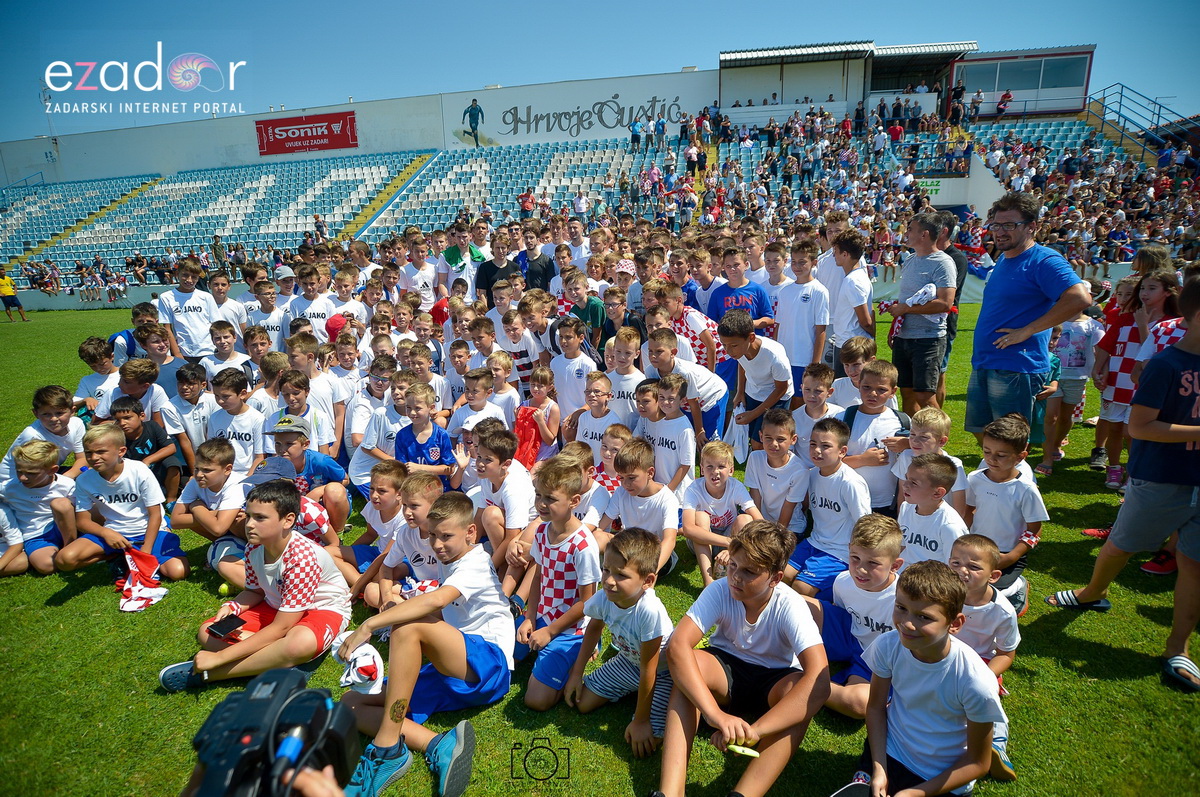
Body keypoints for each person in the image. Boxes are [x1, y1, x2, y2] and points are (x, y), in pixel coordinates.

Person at [1046, 277, 1200, 692]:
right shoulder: (1168, 365)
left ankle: (1177, 645)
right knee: (1122, 543)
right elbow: (1140, 425)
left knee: (1193, 564)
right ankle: (1091, 590)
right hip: (1160, 478)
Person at [337, 491, 511, 797]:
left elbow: (439, 600)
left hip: (489, 666)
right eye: (432, 536)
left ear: (471, 532)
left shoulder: (476, 561)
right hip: (454, 668)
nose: (437, 545)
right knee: (350, 704)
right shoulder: (451, 559)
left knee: (408, 627)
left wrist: (369, 624)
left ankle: (386, 750)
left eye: (446, 536)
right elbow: (441, 611)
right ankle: (438, 744)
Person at [649, 520, 829, 797]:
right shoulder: (720, 590)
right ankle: (670, 792)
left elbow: (820, 679)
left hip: (774, 680)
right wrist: (716, 715)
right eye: (733, 565)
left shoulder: (790, 605)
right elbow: (678, 646)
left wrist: (756, 731)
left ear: (775, 578)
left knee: (801, 694)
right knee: (689, 665)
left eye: (749, 572)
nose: (735, 577)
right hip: (726, 671)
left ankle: (743, 794)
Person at [159, 479, 350, 692]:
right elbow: (255, 590)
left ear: (288, 521)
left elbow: (282, 627)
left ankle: (212, 675)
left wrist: (219, 658)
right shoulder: (253, 547)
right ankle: (276, 659)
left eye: (260, 518)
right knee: (207, 631)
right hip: (277, 607)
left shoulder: (302, 559)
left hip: (322, 610)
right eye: (248, 515)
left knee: (299, 642)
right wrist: (233, 606)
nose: (249, 524)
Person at [841, 560, 1008, 795]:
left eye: (924, 617)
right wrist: (880, 768)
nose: (907, 623)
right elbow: (876, 708)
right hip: (890, 751)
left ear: (955, 623)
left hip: (941, 774)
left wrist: (918, 792)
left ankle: (999, 737)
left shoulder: (975, 681)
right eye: (901, 608)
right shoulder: (888, 646)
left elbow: (978, 763)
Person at [967, 192, 1089, 437]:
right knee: (983, 434)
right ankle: (995, 475)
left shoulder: (1043, 259)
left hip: (1016, 366)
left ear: (1032, 226)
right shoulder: (1004, 258)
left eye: (1010, 225)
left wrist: (1029, 330)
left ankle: (1013, 476)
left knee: (1007, 441)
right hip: (987, 360)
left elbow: (1080, 297)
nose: (1000, 231)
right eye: (996, 225)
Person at [563, 527, 675, 756]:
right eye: (606, 570)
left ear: (648, 580)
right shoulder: (605, 596)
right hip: (628, 661)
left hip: (663, 674)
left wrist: (641, 720)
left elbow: (649, 670)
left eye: (621, 575)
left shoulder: (649, 611)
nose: (609, 581)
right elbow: (593, 628)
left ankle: (649, 703)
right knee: (582, 703)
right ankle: (631, 692)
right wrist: (576, 674)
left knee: (648, 740)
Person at [55, 424, 189, 581]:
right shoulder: (85, 480)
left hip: (149, 530)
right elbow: (82, 522)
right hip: (115, 533)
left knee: (178, 572)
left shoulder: (139, 470)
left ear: (121, 451)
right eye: (89, 453)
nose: (94, 458)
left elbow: (155, 515)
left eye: (101, 452)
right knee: (64, 560)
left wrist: (145, 551)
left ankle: (131, 555)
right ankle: (118, 556)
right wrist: (107, 533)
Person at [805, 514, 903, 719]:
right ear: (848, 549)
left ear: (895, 565)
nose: (861, 569)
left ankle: (804, 684)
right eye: (855, 558)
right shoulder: (843, 581)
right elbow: (839, 613)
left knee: (861, 704)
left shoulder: (903, 600)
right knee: (800, 604)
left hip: (879, 660)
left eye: (873, 563)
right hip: (849, 634)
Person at [964, 414, 1047, 615]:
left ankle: (1017, 586)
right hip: (977, 548)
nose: (991, 459)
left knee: (993, 591)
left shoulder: (1026, 489)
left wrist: (1011, 556)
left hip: (1007, 553)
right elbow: (968, 511)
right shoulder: (974, 479)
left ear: (1020, 457)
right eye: (986, 451)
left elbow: (1035, 530)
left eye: (1001, 455)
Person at [885, 212, 957, 413]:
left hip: (928, 339)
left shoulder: (943, 262)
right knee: (906, 392)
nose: (906, 232)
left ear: (924, 234)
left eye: (910, 229)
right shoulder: (910, 260)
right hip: (905, 337)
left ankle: (938, 439)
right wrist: (897, 327)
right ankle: (912, 438)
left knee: (925, 396)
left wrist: (905, 309)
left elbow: (945, 303)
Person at [0, 440, 77, 576]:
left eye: (31, 473)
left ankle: (70, 547)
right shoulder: (8, 488)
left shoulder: (66, 484)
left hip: (63, 526)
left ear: (52, 470)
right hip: (35, 535)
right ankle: (71, 556)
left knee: (62, 504)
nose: (23, 478)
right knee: (46, 566)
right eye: (19, 472)